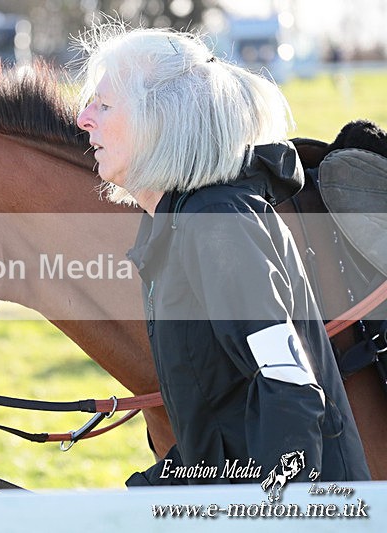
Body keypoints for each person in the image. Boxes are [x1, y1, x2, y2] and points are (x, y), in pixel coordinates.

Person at [75, 26, 371, 486]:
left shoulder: (215, 223)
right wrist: (151, 490)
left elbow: (289, 387)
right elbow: (222, 421)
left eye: (105, 105)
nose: (83, 119)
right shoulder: (175, 226)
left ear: (161, 122)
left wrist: (273, 509)